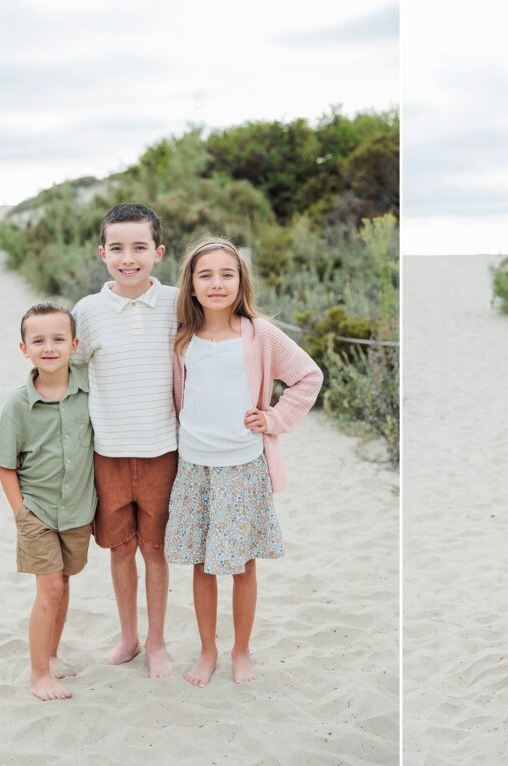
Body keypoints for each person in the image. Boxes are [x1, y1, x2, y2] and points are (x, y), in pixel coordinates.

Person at [166, 236, 322, 687]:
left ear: (241, 282)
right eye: (205, 275)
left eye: (226, 274)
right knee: (200, 563)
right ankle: (208, 650)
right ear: (191, 285)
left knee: (243, 564)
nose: (216, 283)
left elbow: (308, 377)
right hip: (194, 467)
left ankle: (241, 650)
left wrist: (273, 419)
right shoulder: (182, 338)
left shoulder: (260, 335)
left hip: (242, 465)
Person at [71, 203, 179, 677]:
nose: (128, 258)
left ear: (158, 251)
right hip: (109, 452)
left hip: (163, 450)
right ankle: (129, 638)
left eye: (139, 247)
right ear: (102, 253)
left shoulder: (179, 304)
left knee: (155, 549)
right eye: (117, 248)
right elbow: (72, 375)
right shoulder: (88, 311)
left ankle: (157, 643)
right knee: (120, 549)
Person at [0, 303, 96, 701]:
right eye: (39, 341)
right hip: (36, 511)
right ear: (24, 349)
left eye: (57, 339)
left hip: (77, 510)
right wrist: (21, 512)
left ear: (74, 344)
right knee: (48, 589)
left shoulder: (87, 389)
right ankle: (37, 675)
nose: (49, 348)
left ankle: (51, 655)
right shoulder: (18, 405)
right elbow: (4, 465)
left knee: (64, 584)